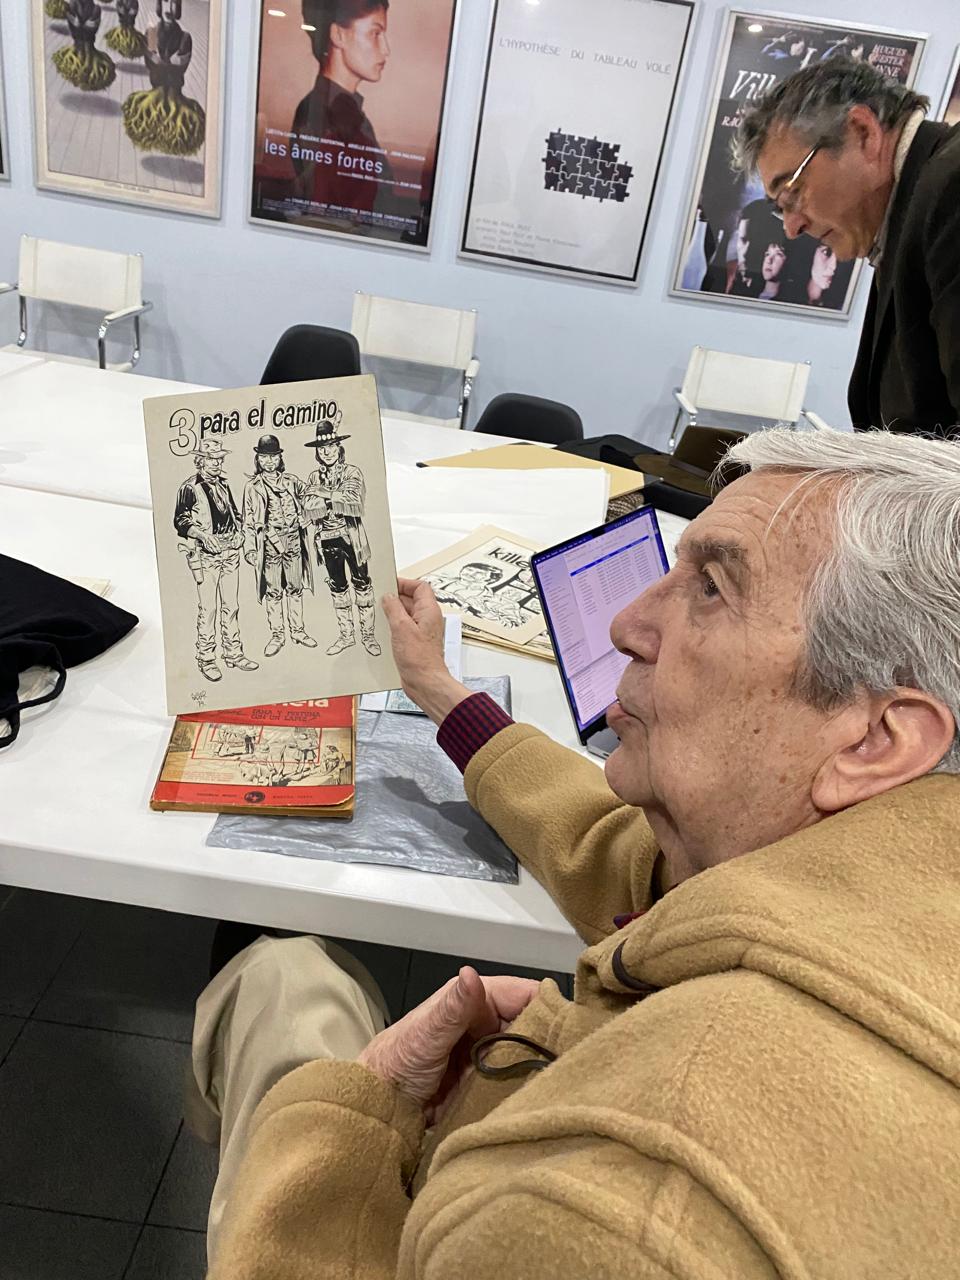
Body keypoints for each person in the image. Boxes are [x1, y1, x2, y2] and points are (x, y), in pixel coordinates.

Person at [189, 426, 960, 1278]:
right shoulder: (878, 863)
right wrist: (438, 689)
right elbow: (615, 848)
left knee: (280, 976)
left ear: (877, 738)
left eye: (711, 588)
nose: (627, 623)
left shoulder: (617, 1214)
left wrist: (357, 1115)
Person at [735, 57, 960, 434]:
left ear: (862, 133)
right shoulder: (909, 212)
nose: (792, 228)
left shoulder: (952, 189)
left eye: (792, 193)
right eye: (780, 208)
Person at [291, 0, 393, 215]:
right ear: (338, 35)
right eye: (375, 33)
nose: (386, 50)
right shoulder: (319, 115)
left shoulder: (347, 115)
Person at [173, 441, 258, 684]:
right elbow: (180, 521)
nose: (217, 463)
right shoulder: (189, 487)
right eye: (212, 459)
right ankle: (207, 658)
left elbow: (234, 514)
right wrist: (202, 536)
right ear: (200, 461)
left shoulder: (224, 484)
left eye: (220, 459)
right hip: (207, 556)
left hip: (230, 552)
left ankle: (233, 653)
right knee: (208, 609)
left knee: (232, 606)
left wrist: (240, 532)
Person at [303, 419, 381, 657]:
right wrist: (334, 498)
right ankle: (347, 636)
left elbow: (354, 501)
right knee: (338, 587)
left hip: (351, 537)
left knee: (362, 583)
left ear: (339, 447)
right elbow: (309, 507)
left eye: (331, 446)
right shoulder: (313, 477)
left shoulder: (351, 472)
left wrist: (324, 495)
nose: (326, 452)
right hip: (327, 539)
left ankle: (368, 636)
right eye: (322, 448)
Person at [242, 434, 316, 658]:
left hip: (293, 539)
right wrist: (250, 549)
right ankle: (277, 635)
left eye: (274, 456)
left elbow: (311, 496)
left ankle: (298, 631)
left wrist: (308, 516)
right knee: (273, 591)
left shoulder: (291, 481)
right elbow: (247, 520)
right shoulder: (252, 487)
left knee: (295, 588)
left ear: (280, 458)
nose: (269, 461)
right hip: (270, 544)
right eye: (265, 457)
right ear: (258, 459)